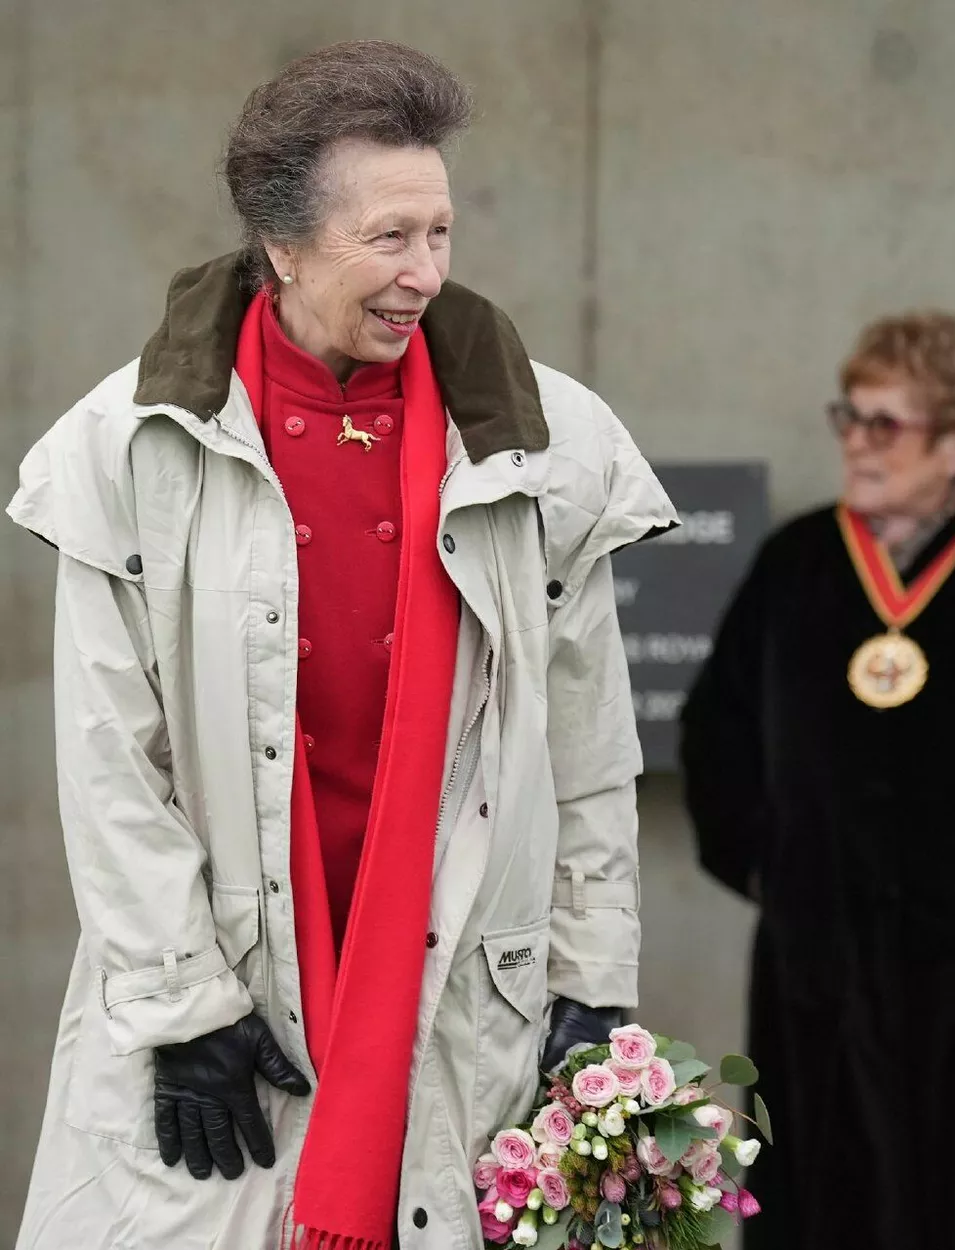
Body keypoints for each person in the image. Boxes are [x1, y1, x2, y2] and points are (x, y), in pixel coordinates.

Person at [9, 41, 677, 1250]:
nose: (426, 273)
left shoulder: (551, 444)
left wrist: (590, 982)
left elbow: (586, 746)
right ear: (283, 245)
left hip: (464, 993)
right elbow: (110, 758)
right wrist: (181, 1003)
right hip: (225, 992)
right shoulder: (128, 442)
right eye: (388, 238)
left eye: (440, 232)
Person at [680, 311, 955, 1250]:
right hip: (817, 967)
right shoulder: (800, 563)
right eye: (850, 417)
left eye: (884, 423)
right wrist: (768, 871)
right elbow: (715, 731)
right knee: (821, 1200)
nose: (856, 442)